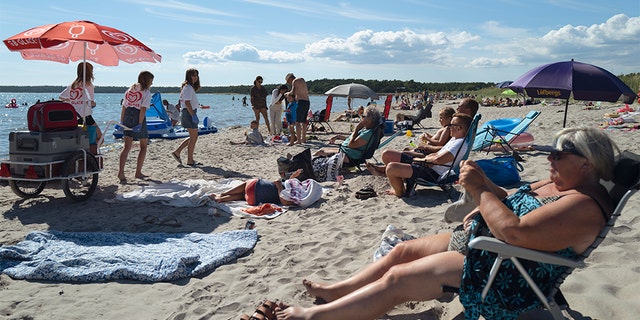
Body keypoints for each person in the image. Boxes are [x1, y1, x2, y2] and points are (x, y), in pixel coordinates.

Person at [275, 126, 618, 320]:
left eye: (559, 155)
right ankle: (338, 291)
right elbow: (510, 202)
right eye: (551, 153)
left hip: (501, 266)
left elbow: (516, 231)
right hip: (488, 244)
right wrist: (486, 187)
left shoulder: (582, 205)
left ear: (588, 164)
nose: (550, 159)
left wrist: (480, 191)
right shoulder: (562, 184)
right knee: (402, 251)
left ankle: (312, 318)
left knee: (397, 279)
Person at [384, 113, 472, 197]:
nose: (449, 127)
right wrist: (425, 157)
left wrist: (419, 160)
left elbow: (438, 160)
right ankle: (403, 183)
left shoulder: (459, 144)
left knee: (391, 168)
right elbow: (437, 154)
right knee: (387, 154)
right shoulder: (455, 139)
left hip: (433, 173)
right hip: (427, 165)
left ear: (459, 128)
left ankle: (400, 192)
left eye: (451, 125)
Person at [117, 71, 154, 183]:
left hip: (128, 115)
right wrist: (140, 123)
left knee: (127, 146)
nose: (152, 83)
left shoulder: (130, 90)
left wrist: (122, 121)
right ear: (147, 81)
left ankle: (121, 172)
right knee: (143, 146)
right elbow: (142, 109)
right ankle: (138, 172)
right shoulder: (146, 92)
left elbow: (124, 107)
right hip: (138, 116)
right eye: (151, 81)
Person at [312, 106, 382, 166]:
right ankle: (303, 163)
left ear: (370, 120)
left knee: (320, 152)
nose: (362, 118)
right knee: (321, 151)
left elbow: (351, 144)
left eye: (363, 116)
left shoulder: (368, 134)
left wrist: (356, 129)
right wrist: (338, 136)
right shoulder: (368, 130)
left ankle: (304, 165)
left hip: (350, 156)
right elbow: (353, 140)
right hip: (347, 152)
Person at [59, 62, 102, 154]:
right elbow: (91, 102)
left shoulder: (72, 86)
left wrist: (72, 101)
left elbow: (61, 97)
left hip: (74, 117)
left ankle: (84, 154)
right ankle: (90, 154)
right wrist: (93, 103)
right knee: (100, 137)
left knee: (81, 139)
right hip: (85, 117)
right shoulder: (88, 85)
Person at [211, 169, 303, 206]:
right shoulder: (298, 193)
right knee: (243, 196)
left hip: (256, 186)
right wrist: (293, 176)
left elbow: (285, 202)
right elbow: (288, 184)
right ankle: (222, 199)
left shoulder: (296, 196)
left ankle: (223, 194)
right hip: (252, 200)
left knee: (248, 183)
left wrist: (279, 186)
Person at [172, 68, 202, 167]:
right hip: (188, 113)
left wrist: (197, 107)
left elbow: (185, 102)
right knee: (194, 138)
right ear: (188, 76)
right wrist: (193, 114)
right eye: (193, 75)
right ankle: (189, 160)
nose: (195, 77)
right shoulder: (188, 87)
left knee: (193, 137)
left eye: (196, 75)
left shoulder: (187, 87)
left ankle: (178, 152)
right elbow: (187, 102)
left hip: (188, 112)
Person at [285, 73, 310, 144]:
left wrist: (287, 94)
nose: (289, 83)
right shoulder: (302, 79)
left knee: (297, 122)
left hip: (301, 102)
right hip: (307, 101)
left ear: (290, 78)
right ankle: (303, 139)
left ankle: (299, 140)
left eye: (288, 81)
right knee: (304, 122)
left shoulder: (294, 81)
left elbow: (293, 92)